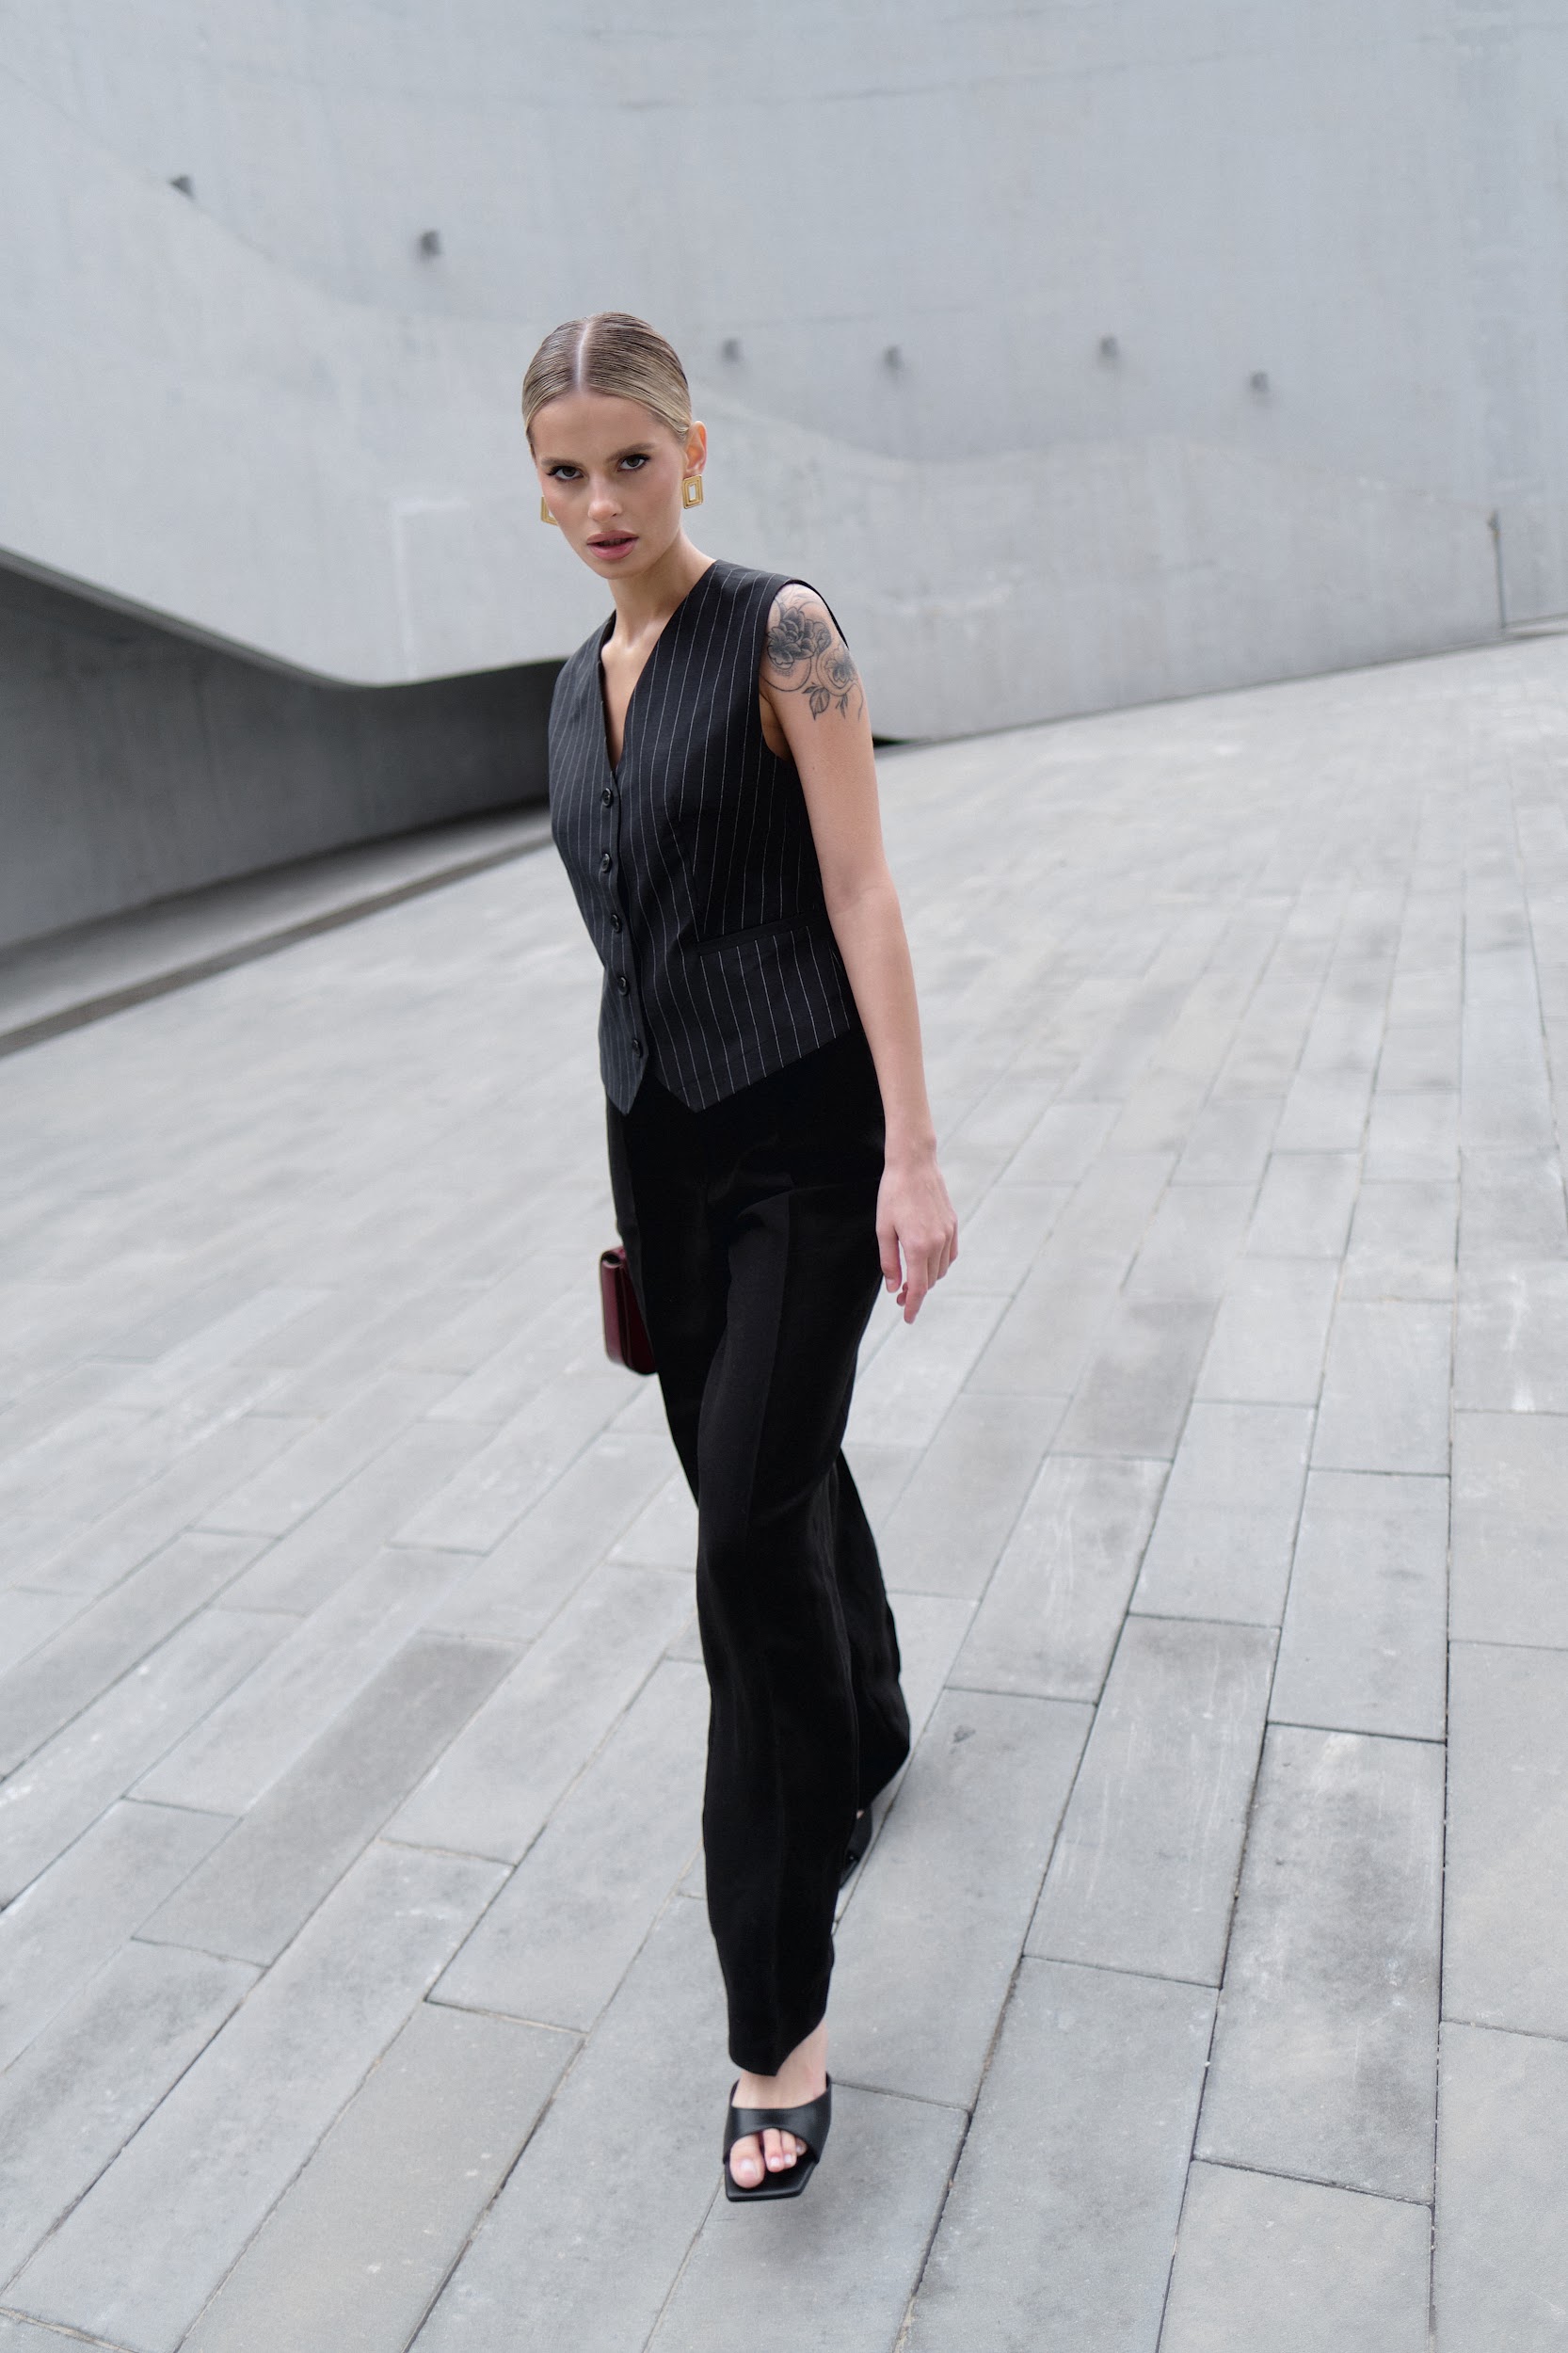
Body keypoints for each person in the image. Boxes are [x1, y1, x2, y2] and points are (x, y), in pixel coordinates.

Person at [526, 312, 957, 2201]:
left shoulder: (783, 631)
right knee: (754, 1475)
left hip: (801, 1142)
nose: (600, 501)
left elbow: (860, 886)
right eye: (564, 472)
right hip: (663, 1154)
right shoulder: (569, 687)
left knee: (737, 1554)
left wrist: (913, 1155)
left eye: (630, 460)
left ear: (690, 455)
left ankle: (773, 2015)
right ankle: (867, 1725)